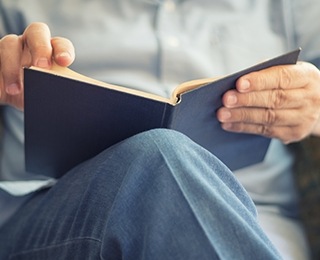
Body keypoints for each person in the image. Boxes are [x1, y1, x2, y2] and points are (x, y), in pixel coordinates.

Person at [0, 0, 319, 259]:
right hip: (57, 222)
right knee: (158, 157)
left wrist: (315, 105)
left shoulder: (292, 7)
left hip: (255, 220)